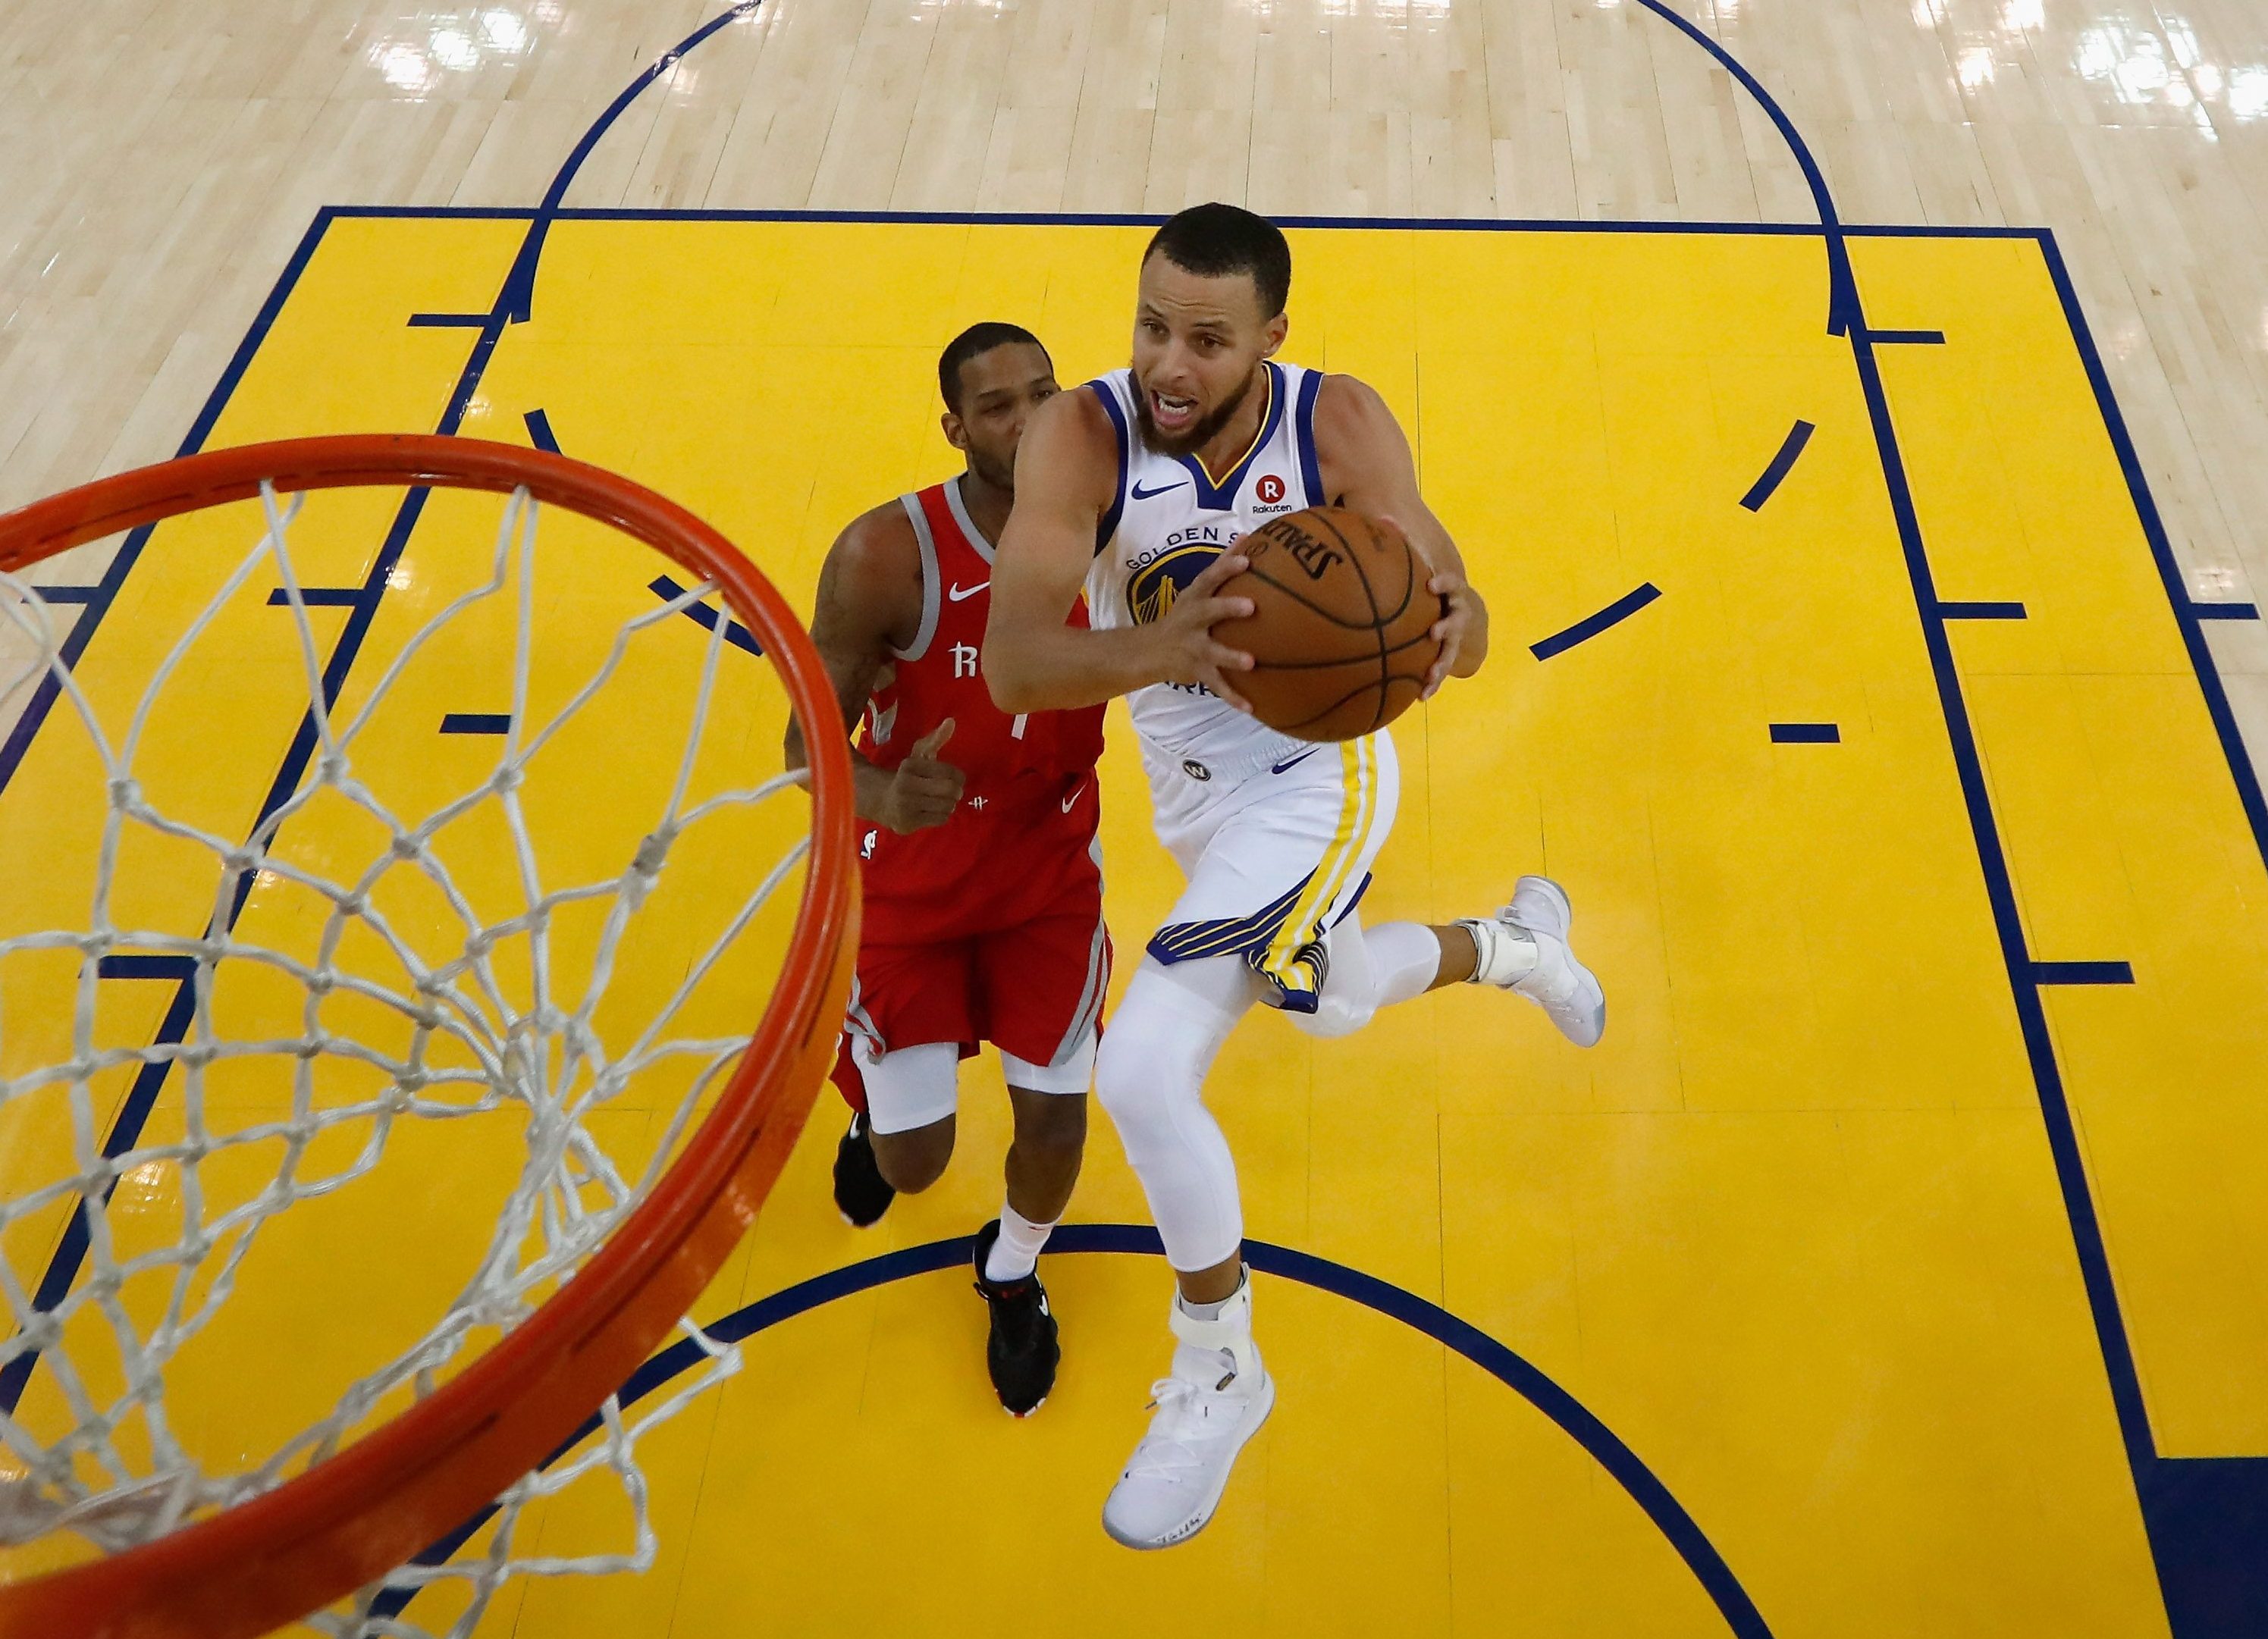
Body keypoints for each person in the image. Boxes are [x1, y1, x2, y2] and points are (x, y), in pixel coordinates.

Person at [984, 204, 1606, 1547]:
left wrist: (1452, 624)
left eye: (1208, 340)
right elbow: (1017, 664)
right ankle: (1515, 945)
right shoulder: (1082, 434)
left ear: (1272, 335)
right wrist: (1171, 650)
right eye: (1152, 325)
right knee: (1324, 998)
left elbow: (1462, 618)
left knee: (1143, 1069)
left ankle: (1219, 1362)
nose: (1170, 362)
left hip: (1318, 781)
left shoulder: (1339, 424)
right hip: (1193, 795)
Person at [786, 322, 1109, 1418]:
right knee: (914, 1161)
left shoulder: (1111, 521)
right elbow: (804, 751)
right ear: (955, 428)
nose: (1027, 422)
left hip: (1046, 868)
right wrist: (880, 793)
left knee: (1055, 1126)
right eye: (997, 406)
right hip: (913, 879)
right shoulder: (886, 556)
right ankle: (869, 1104)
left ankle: (1010, 1271)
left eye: (1042, 395)